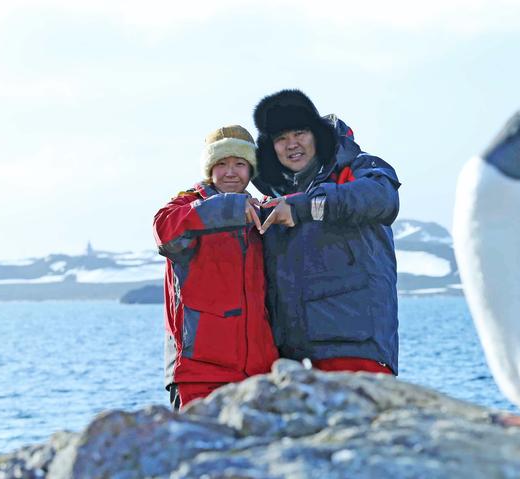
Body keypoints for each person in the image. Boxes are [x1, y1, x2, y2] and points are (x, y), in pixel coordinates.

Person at [251, 89, 400, 375]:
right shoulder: (272, 198)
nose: (292, 144)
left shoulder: (357, 168)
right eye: (281, 138)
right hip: (293, 360)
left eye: (300, 133)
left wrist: (304, 207)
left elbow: (383, 199)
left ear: (317, 133)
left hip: (357, 351)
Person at [153, 125, 278, 410]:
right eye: (221, 164)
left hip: (258, 374)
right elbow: (164, 231)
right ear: (209, 169)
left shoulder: (261, 211)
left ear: (251, 170)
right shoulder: (185, 205)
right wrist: (231, 208)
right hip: (198, 375)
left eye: (239, 163)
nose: (230, 172)